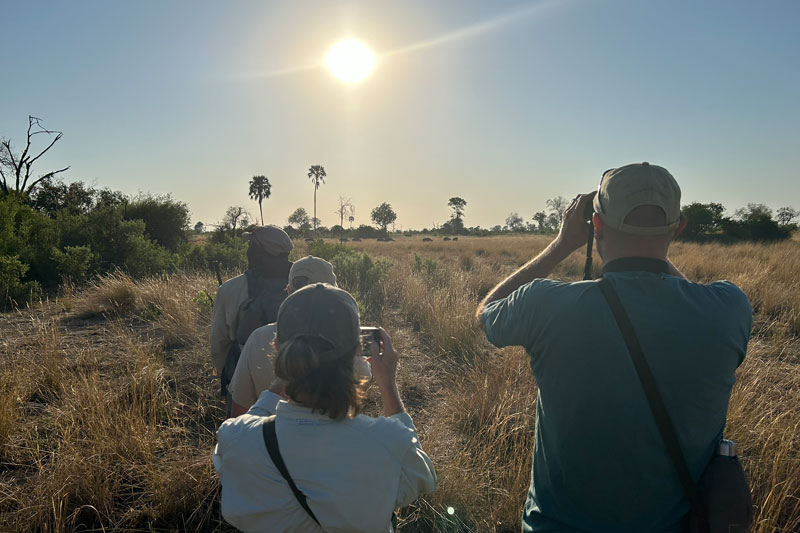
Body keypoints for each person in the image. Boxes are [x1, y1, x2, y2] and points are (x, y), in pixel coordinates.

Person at [476, 162, 752, 532]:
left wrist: (561, 244)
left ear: (596, 225)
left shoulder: (544, 304)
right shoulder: (728, 309)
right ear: (679, 227)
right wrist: (656, 250)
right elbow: (692, 295)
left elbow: (486, 314)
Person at [213, 283, 436, 532]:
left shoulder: (237, 440)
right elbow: (422, 477)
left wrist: (278, 384)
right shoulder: (387, 441)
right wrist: (388, 384)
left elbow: (242, 430)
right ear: (357, 351)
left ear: (277, 348)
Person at [228, 255, 371, 417]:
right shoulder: (345, 338)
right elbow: (361, 386)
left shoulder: (258, 338)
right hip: (335, 432)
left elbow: (239, 407)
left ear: (289, 291)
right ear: (335, 294)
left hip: (269, 436)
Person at [210, 225, 293, 417]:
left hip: (246, 374)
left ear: (259, 251)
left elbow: (218, 344)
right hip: (298, 377)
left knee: (240, 434)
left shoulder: (231, 289)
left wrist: (227, 377)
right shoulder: (306, 284)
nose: (247, 251)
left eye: (251, 245)